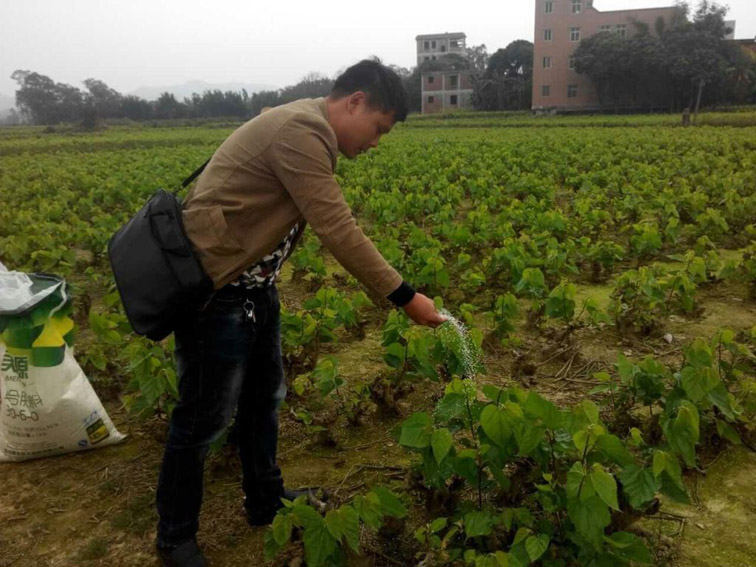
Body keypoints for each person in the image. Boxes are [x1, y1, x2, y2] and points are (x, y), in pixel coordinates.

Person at [154, 59, 445, 567]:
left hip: (255, 289)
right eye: (378, 128)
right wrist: (405, 296)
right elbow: (338, 229)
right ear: (354, 102)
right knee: (202, 419)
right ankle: (174, 537)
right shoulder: (302, 131)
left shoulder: (304, 123)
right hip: (218, 293)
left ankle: (265, 500)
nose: (376, 143)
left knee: (264, 399)